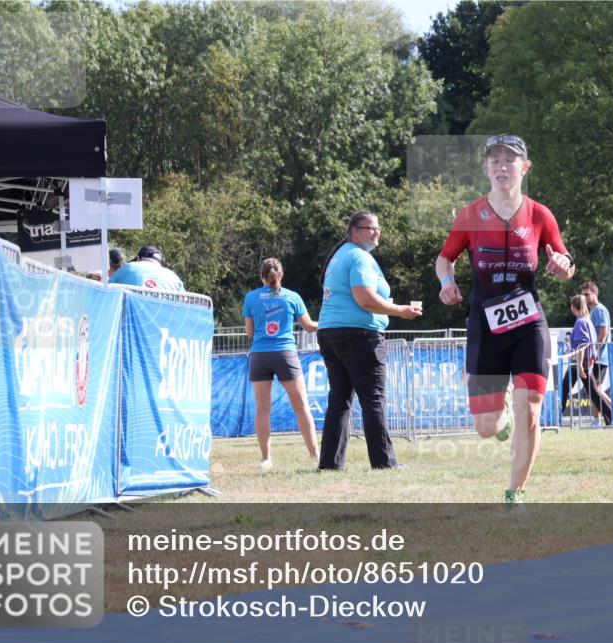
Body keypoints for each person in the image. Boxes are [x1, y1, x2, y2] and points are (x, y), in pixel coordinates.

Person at [436, 133, 575, 504]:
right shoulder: (469, 215)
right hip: (485, 326)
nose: (501, 166)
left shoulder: (540, 214)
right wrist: (447, 282)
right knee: (485, 427)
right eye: (494, 160)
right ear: (486, 168)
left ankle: (515, 491)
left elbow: (564, 262)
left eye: (509, 160)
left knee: (531, 410)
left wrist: (562, 266)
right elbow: (444, 257)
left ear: (524, 168)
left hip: (528, 323)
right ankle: (501, 423)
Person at [317, 211, 422, 470]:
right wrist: (399, 310)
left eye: (378, 229)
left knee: (340, 399)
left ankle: (330, 464)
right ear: (354, 231)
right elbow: (364, 299)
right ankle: (384, 462)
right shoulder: (359, 257)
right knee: (373, 398)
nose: (376, 233)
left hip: (331, 332)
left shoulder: (341, 256)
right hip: (358, 335)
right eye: (370, 228)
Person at [242, 258, 319, 470]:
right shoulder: (292, 297)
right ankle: (314, 455)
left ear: (261, 276)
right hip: (285, 354)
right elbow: (310, 327)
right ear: (281, 275)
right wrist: (329, 323)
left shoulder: (251, 297)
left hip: (259, 355)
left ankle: (266, 458)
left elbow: (249, 333)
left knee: (262, 408)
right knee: (301, 406)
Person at [559, 295, 604, 423]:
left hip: (581, 362)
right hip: (587, 361)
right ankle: (610, 416)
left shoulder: (580, 321)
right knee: (593, 392)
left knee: (593, 393)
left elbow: (582, 345)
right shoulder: (587, 320)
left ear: (573, 307)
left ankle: (610, 416)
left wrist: (579, 366)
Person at [579, 281, 613, 425]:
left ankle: (599, 420)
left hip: (600, 357)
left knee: (595, 390)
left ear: (595, 294)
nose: (584, 298)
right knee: (596, 390)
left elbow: (603, 332)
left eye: (587, 295)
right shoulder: (592, 311)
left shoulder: (599, 309)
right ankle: (603, 418)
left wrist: (594, 351)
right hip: (596, 357)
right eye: (583, 295)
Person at [109, 244, 185, 291]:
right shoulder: (173, 277)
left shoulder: (129, 267)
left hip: (131, 316)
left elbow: (107, 288)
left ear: (139, 258)